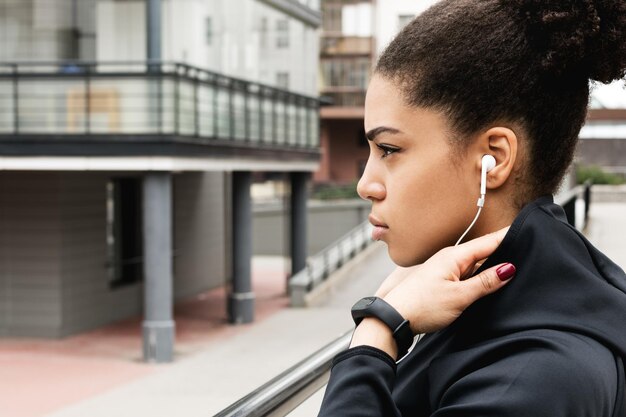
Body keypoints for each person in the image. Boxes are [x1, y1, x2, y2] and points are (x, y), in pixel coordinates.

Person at [317, 0, 626, 416]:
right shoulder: (500, 307)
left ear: (494, 159)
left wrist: (377, 332)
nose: (365, 185)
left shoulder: (536, 377)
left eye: (389, 149)